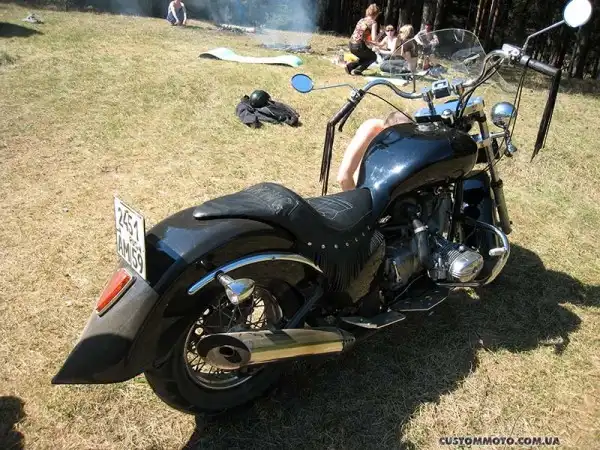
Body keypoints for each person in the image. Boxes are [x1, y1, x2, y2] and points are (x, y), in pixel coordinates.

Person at [337, 111, 413, 191]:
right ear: (384, 130)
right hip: (360, 189)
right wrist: (356, 197)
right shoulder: (370, 131)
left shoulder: (405, 138)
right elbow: (344, 177)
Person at [345, 4, 380, 76]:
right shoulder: (373, 23)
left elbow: (360, 34)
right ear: (376, 14)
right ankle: (357, 71)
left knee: (365, 57)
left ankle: (350, 66)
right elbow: (373, 39)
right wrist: (381, 34)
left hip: (351, 45)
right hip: (358, 46)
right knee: (373, 57)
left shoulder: (361, 20)